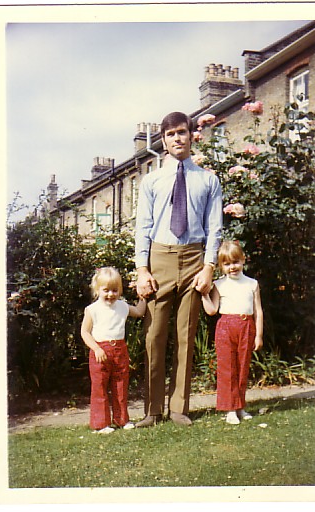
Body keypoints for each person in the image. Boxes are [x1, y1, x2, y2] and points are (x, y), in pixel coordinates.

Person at [134, 111, 223, 427]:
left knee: (185, 335)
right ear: (163, 140)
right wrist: (142, 270)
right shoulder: (152, 180)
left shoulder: (208, 180)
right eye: (171, 134)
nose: (177, 139)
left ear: (190, 135)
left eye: (182, 132)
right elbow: (143, 226)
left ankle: (179, 408)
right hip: (159, 259)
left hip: (193, 260)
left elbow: (215, 228)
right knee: (154, 336)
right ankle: (152, 410)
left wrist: (209, 266)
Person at [199, 241, 263, 425]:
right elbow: (212, 310)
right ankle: (229, 409)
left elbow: (258, 311)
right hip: (226, 327)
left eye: (235, 262)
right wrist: (204, 295)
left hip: (246, 326)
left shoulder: (252, 284)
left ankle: (240, 406)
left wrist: (259, 335)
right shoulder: (219, 285)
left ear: (243, 260)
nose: (232, 267)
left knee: (242, 367)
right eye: (226, 264)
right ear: (221, 266)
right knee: (228, 369)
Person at [80, 267, 146, 433]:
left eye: (115, 290)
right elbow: (85, 332)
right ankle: (101, 424)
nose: (110, 294)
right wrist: (96, 348)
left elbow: (138, 312)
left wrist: (143, 297)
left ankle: (122, 420)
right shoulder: (92, 310)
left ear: (120, 290)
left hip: (120, 350)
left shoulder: (122, 306)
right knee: (100, 388)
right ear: (97, 290)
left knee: (120, 386)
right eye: (106, 290)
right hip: (100, 351)